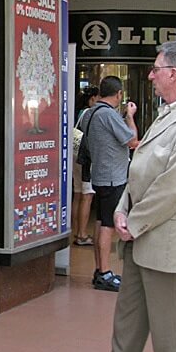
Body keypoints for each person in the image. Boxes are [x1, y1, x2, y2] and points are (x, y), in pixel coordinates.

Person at [67, 41, 176, 352]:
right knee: (129, 317)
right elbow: (138, 172)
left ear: (174, 73)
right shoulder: (167, 115)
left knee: (169, 325)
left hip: (166, 240)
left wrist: (132, 221)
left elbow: (174, 186)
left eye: (155, 68)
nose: (150, 75)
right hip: (141, 235)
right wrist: (120, 210)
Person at [79, 76, 138, 291]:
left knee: (101, 221)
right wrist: (130, 117)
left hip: (99, 174)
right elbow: (132, 140)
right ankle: (104, 272)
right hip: (113, 176)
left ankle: (99, 269)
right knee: (108, 225)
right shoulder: (109, 114)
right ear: (119, 94)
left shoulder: (90, 113)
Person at [72, 86, 99, 246]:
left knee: (77, 194)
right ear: (92, 99)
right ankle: (82, 234)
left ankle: (76, 231)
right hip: (85, 158)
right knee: (87, 195)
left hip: (75, 155)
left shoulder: (77, 112)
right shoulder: (89, 114)